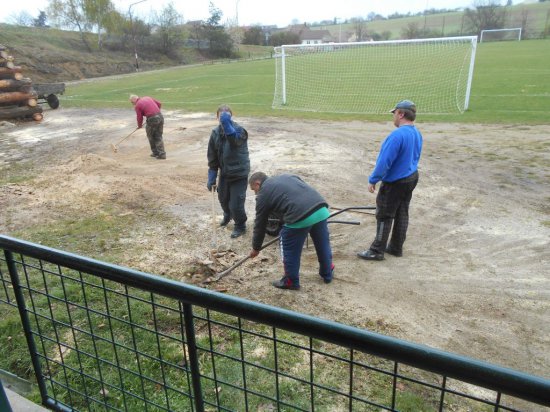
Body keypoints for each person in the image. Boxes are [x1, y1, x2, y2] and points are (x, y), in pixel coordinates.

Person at [357, 99, 423, 261]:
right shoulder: (416, 132)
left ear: (401, 114)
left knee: (385, 215)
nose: (393, 117)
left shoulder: (397, 135)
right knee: (402, 212)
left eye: (394, 113)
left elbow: (384, 162)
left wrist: (373, 179)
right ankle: (395, 247)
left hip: (395, 182)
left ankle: (376, 250)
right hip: (411, 177)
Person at [248, 172, 334, 290]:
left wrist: (256, 248)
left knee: (287, 244)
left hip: (300, 216)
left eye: (254, 189)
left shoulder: (263, 194)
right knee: (323, 243)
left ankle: (290, 281)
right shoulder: (286, 176)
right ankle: (327, 272)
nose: (255, 192)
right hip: (320, 209)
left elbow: (260, 223)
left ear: (257, 183)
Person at [207, 104, 250, 238]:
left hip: (239, 173)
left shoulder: (240, 131)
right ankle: (227, 215)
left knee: (236, 203)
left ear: (231, 117)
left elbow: (234, 141)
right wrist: (212, 176)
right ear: (217, 117)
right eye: (221, 118)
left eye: (226, 117)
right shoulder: (215, 133)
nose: (223, 120)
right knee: (223, 198)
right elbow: (212, 155)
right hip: (225, 173)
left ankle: (240, 225)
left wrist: (226, 124)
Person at [129, 94, 166, 159]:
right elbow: (159, 104)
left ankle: (157, 153)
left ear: (134, 100)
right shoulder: (147, 97)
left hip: (152, 119)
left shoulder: (137, 105)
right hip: (160, 116)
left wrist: (139, 126)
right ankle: (160, 153)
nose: (133, 104)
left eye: (132, 102)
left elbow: (139, 117)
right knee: (158, 135)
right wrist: (155, 113)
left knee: (151, 136)